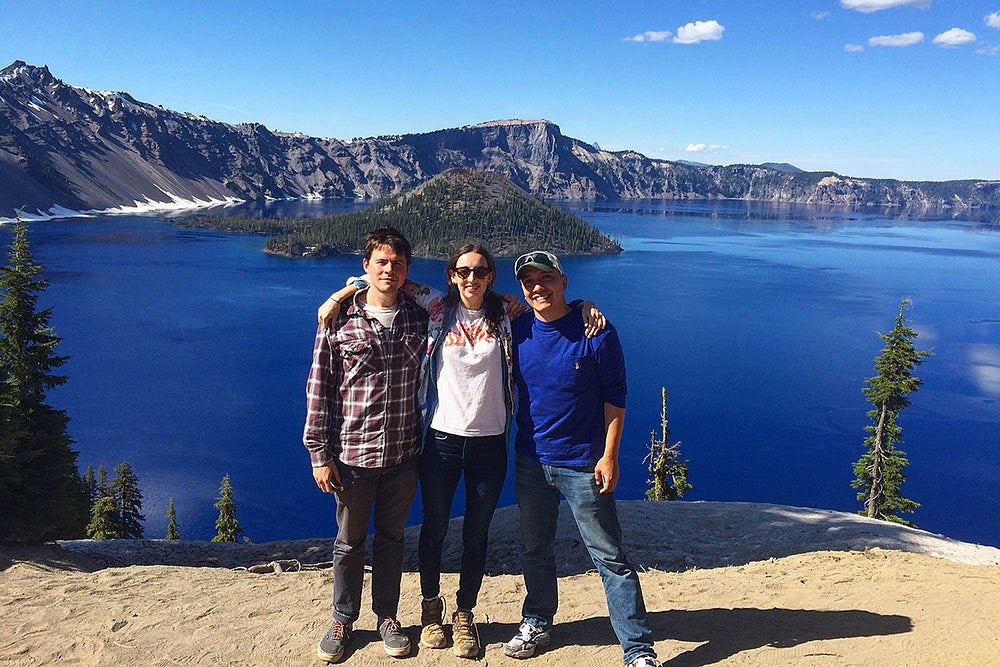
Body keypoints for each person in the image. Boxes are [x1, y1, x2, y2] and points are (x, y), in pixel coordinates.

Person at [317, 242, 604, 660]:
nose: (472, 279)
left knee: (476, 534)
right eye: (463, 271)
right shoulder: (436, 308)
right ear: (452, 275)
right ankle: (432, 610)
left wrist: (583, 304)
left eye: (481, 272)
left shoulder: (508, 315)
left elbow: (551, 305)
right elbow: (389, 281)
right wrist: (339, 294)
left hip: (490, 443)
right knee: (434, 530)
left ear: (491, 277)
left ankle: (465, 613)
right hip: (441, 440)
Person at [503, 250, 660, 667]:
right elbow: (460, 298)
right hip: (531, 460)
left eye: (546, 278)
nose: (538, 287)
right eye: (529, 281)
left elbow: (615, 397)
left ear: (564, 280)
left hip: (583, 464)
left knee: (610, 557)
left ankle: (638, 650)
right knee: (535, 548)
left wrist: (610, 456)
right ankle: (537, 620)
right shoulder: (516, 328)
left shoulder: (596, 333)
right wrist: (345, 294)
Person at [303, 226, 429, 664]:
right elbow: (319, 388)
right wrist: (319, 454)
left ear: (407, 269)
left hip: (402, 454)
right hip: (352, 455)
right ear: (365, 265)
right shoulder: (338, 321)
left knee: (392, 540)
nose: (389, 270)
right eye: (381, 262)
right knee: (349, 543)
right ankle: (342, 618)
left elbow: (459, 298)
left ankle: (388, 617)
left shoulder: (419, 316)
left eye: (397, 264)